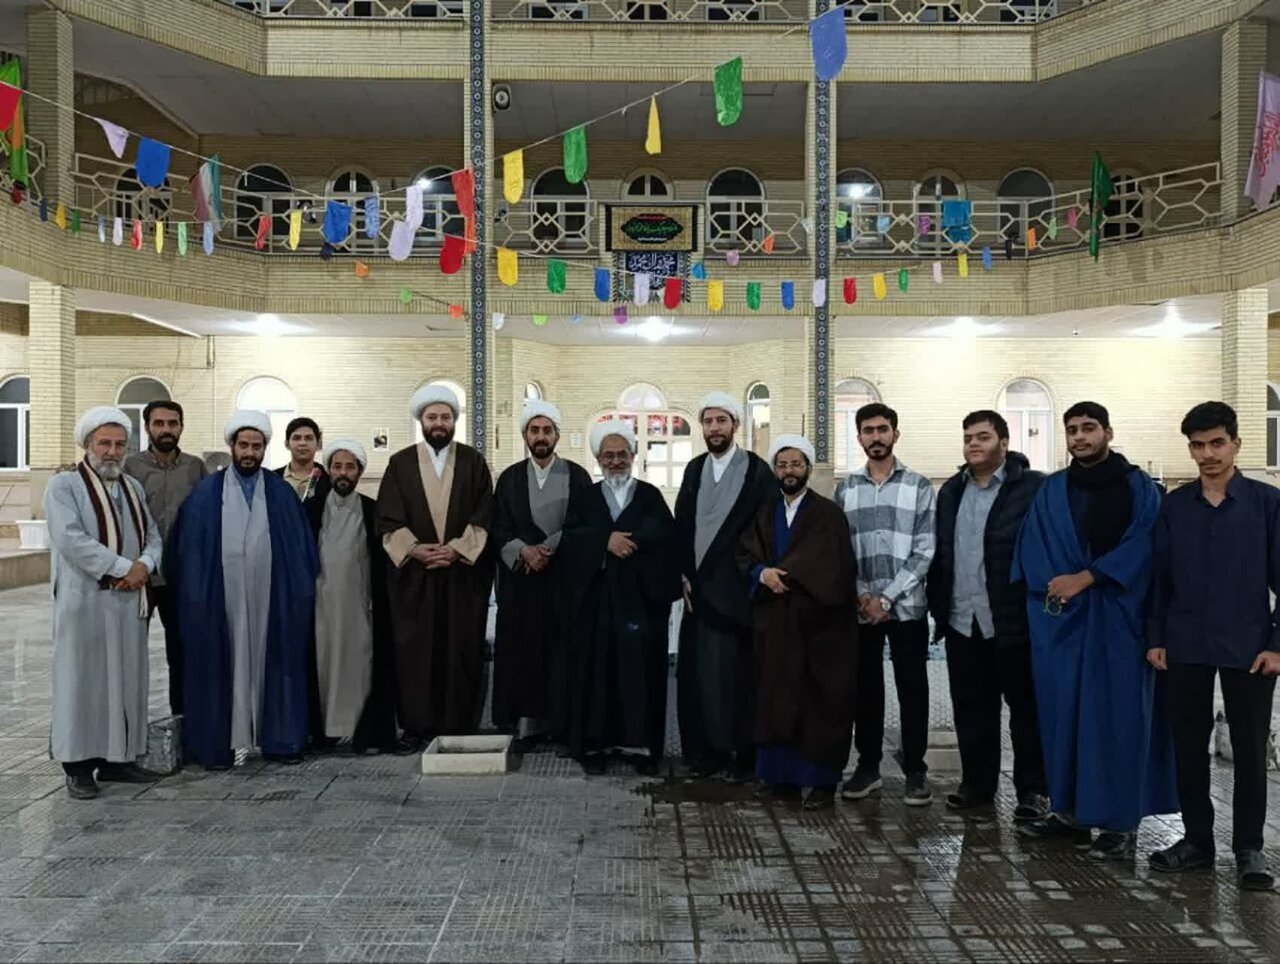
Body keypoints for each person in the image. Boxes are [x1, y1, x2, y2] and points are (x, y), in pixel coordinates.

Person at [1013, 401, 1177, 860]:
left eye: (1089, 428)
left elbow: (1148, 546)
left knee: (1119, 719)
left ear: (1108, 431)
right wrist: (1061, 590)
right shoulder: (1053, 490)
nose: (1080, 437)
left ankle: (1120, 824)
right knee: (1062, 716)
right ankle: (1067, 812)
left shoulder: (1139, 488)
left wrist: (1088, 578)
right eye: (1072, 430)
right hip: (1064, 625)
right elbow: (1034, 548)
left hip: (1120, 621)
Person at [1147, 402, 1280, 891]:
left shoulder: (1267, 504)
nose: (1208, 454)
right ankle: (1197, 842)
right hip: (1185, 644)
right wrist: (1156, 638)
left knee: (1249, 749)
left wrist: (1277, 644)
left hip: (1250, 646)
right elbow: (1160, 580)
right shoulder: (1174, 507)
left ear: (1236, 444)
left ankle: (1249, 848)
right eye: (1198, 445)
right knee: (1188, 746)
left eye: (1217, 443)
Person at [170, 410, 319, 769]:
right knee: (221, 665)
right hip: (221, 602)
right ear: (232, 447)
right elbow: (188, 552)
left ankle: (280, 741)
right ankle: (217, 745)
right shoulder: (206, 494)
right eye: (244, 446)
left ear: (265, 449)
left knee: (276, 665)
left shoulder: (281, 493)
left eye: (256, 446)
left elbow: (301, 552)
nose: (250, 453)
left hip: (272, 601)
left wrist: (295, 596)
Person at [926, 411, 1049, 823]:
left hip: (1011, 621)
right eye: (968, 438)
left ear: (1004, 442)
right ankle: (977, 786)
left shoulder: (1031, 488)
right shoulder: (951, 491)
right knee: (971, 709)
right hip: (963, 619)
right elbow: (942, 553)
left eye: (983, 437)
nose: (973, 444)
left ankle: (1033, 791)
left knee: (1026, 711)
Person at [46, 407, 164, 799]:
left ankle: (117, 759)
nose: (112, 452)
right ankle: (77, 766)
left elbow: (152, 535)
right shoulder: (64, 486)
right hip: (85, 602)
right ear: (87, 445)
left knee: (125, 680)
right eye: (104, 444)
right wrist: (122, 567)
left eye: (119, 444)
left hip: (127, 603)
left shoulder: (132, 487)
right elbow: (71, 539)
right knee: (82, 682)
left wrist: (144, 565)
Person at [738, 434, 857, 811]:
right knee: (776, 699)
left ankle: (821, 783)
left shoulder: (828, 514)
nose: (789, 471)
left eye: (796, 464)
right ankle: (781, 780)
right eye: (783, 465)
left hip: (819, 630)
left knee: (820, 703)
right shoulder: (764, 511)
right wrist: (761, 573)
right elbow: (745, 554)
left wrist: (787, 575)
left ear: (807, 467)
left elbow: (835, 565)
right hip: (775, 626)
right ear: (775, 470)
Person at [376, 384, 494, 753]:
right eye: (432, 417)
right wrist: (415, 550)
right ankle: (416, 726)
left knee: (460, 650)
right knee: (415, 651)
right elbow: (387, 517)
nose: (439, 423)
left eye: (445, 417)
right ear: (421, 421)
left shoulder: (473, 462)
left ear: (454, 421)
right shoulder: (400, 463)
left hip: (460, 576)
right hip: (416, 576)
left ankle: (457, 724)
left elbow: (485, 514)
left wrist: (457, 550)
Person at [558, 419, 680, 775]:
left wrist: (633, 545)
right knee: (595, 674)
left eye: (621, 454)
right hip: (595, 606)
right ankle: (595, 747)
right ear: (598, 459)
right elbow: (570, 540)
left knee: (640, 675)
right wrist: (604, 542)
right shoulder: (586, 497)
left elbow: (666, 540)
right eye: (608, 455)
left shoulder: (650, 496)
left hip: (640, 604)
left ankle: (640, 748)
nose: (615, 461)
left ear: (633, 456)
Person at [836, 403, 937, 806]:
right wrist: (864, 596)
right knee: (865, 690)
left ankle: (915, 770)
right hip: (862, 609)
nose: (876, 437)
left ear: (895, 433)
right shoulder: (846, 489)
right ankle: (868, 767)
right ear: (859, 437)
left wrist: (888, 597)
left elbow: (925, 549)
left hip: (907, 606)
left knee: (913, 688)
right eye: (868, 430)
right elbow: (841, 552)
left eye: (882, 429)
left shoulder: (919, 486)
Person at [674, 392, 776, 781]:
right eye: (708, 422)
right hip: (698, 592)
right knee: (700, 677)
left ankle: (742, 755)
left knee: (737, 677)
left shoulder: (756, 471)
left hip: (737, 594)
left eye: (721, 421)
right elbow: (683, 523)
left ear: (735, 425)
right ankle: (707, 753)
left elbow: (764, 530)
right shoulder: (695, 469)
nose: (714, 428)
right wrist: (684, 574)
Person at [490, 400, 592, 751]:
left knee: (562, 653)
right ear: (525, 435)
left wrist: (547, 548)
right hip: (522, 583)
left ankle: (561, 725)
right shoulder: (510, 478)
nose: (541, 436)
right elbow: (498, 525)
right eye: (534, 430)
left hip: (562, 581)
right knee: (523, 653)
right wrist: (524, 551)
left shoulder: (577, 476)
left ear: (557, 436)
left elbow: (583, 523)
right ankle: (526, 726)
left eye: (547, 430)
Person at [305, 437, 398, 755]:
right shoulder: (311, 510)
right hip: (321, 606)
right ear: (328, 470)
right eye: (337, 466)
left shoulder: (373, 511)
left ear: (359, 472)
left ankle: (363, 733)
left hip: (360, 606)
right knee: (323, 666)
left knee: (359, 668)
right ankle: (324, 733)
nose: (343, 473)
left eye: (349, 467)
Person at [124, 399, 207, 716]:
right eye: (159, 423)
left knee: (183, 654)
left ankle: (183, 724)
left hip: (183, 578)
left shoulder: (195, 468)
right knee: (132, 653)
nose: (166, 430)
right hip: (141, 576)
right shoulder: (130, 468)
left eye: (172, 423)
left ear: (182, 426)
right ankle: (131, 728)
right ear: (147, 427)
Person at [275, 416, 330, 505]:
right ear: (287, 444)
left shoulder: (329, 480)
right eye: (296, 438)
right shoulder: (273, 478)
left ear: (318, 444)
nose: (302, 443)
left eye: (309, 438)